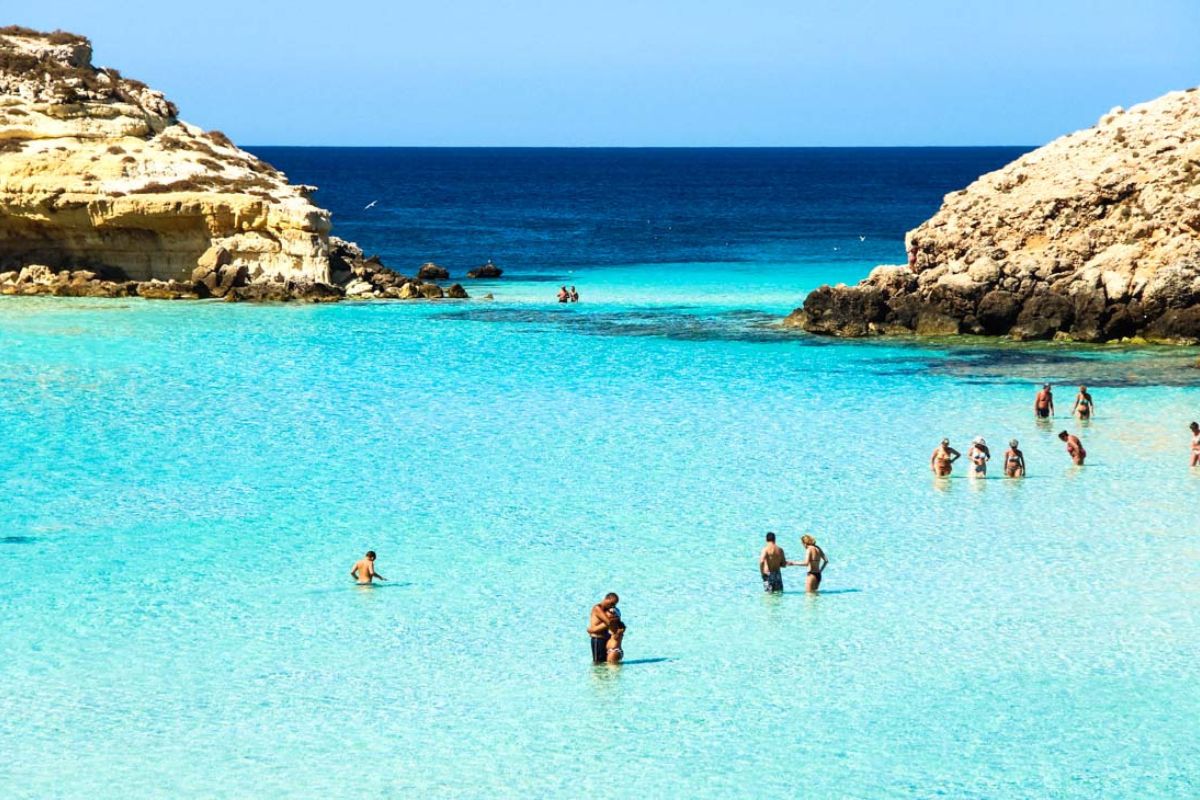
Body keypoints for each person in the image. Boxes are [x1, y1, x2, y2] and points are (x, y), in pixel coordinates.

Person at [588, 593, 620, 664]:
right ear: (606, 599)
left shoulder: (608, 609)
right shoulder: (597, 608)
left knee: (605, 662)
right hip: (597, 639)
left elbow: (615, 622)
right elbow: (608, 622)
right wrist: (613, 618)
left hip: (606, 638)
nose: (613, 606)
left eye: (614, 604)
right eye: (611, 603)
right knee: (598, 663)